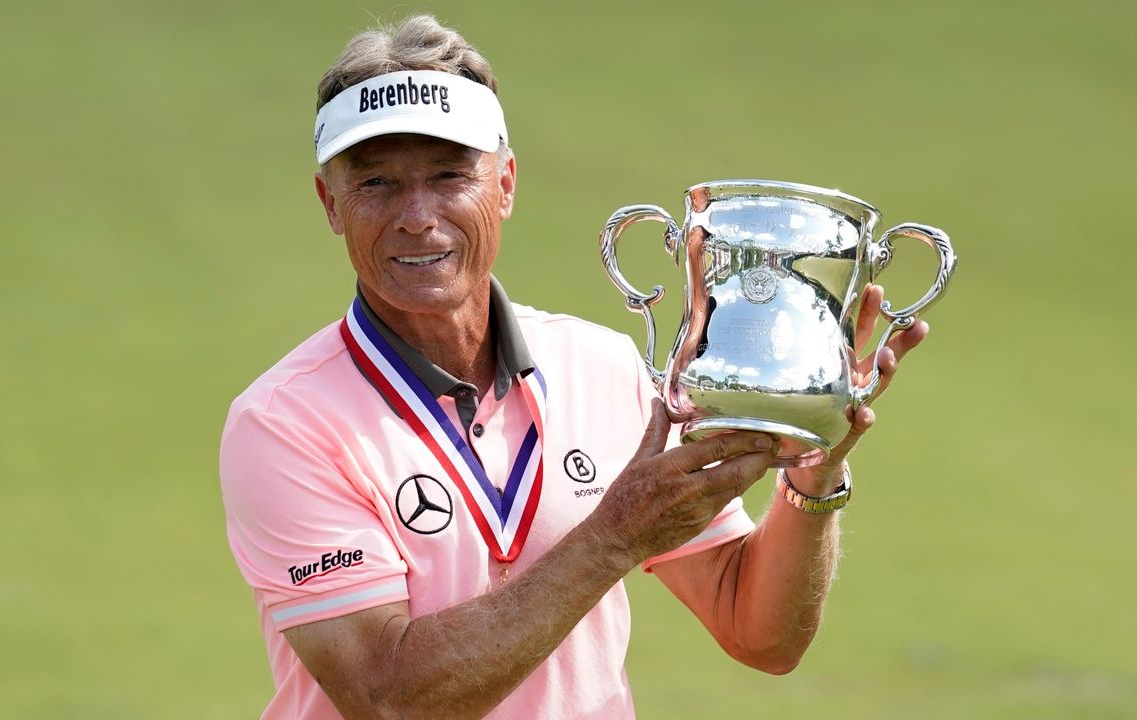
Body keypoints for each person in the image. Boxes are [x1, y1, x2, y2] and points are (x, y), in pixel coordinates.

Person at [219, 14, 928, 720]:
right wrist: (613, 536)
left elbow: (760, 633)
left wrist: (814, 460)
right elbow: (388, 698)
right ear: (330, 204)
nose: (417, 215)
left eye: (449, 175)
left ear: (505, 185)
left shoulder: (601, 366)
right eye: (376, 183)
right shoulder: (284, 424)